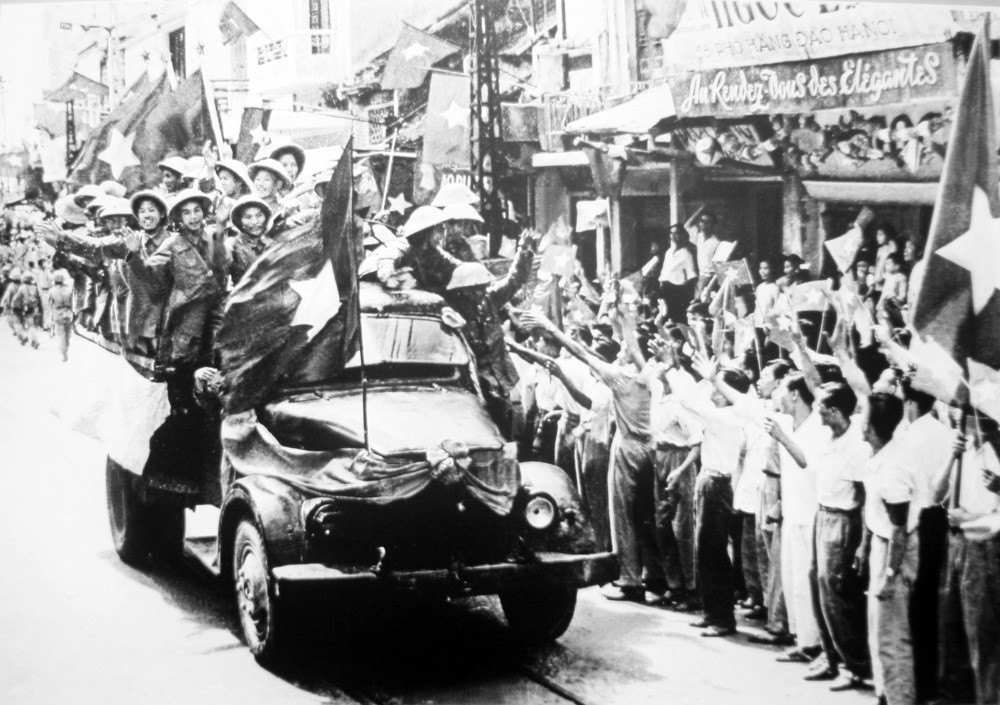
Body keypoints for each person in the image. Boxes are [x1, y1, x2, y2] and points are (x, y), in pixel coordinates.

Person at [522, 306, 661, 605]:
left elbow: (584, 355)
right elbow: (632, 349)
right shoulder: (649, 376)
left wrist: (552, 327)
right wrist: (625, 322)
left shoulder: (621, 379)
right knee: (646, 516)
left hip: (627, 448)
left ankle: (630, 579)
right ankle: (658, 577)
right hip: (651, 448)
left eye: (623, 349)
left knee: (621, 516)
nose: (623, 351)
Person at [932, 418, 1000, 705]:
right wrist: (951, 455)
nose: (962, 419)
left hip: (985, 550)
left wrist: (970, 517)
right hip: (957, 546)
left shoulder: (996, 453)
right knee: (951, 628)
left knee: (982, 637)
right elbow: (936, 495)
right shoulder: (964, 450)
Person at [442, 235, 535, 438]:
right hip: (472, 380)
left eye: (482, 287)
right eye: (473, 290)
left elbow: (514, 280)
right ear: (460, 292)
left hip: (501, 374)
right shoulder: (452, 313)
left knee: (511, 414)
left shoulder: (490, 299)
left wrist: (523, 251)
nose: (479, 293)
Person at [859, 392, 918, 705]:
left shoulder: (893, 465)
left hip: (895, 549)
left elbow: (899, 526)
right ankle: (885, 694)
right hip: (882, 543)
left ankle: (900, 698)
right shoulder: (881, 454)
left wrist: (891, 573)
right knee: (879, 632)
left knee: (892, 635)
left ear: (869, 425)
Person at [225, 195, 274, 284]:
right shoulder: (232, 244)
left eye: (259, 215)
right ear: (240, 221)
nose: (255, 222)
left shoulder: (271, 243)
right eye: (248, 217)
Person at [658, 225, 697, 324]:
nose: (674, 236)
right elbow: (665, 270)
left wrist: (685, 289)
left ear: (682, 235)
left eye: (677, 233)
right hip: (665, 288)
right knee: (665, 315)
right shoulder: (669, 252)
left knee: (678, 317)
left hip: (678, 290)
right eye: (672, 233)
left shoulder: (686, 253)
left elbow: (691, 274)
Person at [684, 205, 721, 298]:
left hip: (712, 279)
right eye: (702, 221)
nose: (703, 224)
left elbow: (719, 264)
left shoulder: (716, 243)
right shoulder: (698, 236)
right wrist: (699, 210)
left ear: (713, 225)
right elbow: (686, 226)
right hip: (701, 278)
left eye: (708, 222)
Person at [47, 269, 74, 361]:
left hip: (58, 314)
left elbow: (49, 305)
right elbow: (72, 303)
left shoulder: (52, 291)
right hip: (68, 314)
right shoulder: (69, 290)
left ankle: (64, 354)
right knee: (67, 335)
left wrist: (50, 318)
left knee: (61, 335)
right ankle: (66, 349)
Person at [11, 270, 42, 347]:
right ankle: (34, 341)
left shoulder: (22, 288)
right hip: (33, 307)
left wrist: (14, 306)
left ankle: (25, 337)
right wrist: (39, 308)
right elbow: (38, 299)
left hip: (24, 308)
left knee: (20, 323)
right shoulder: (35, 288)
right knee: (32, 325)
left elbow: (16, 298)